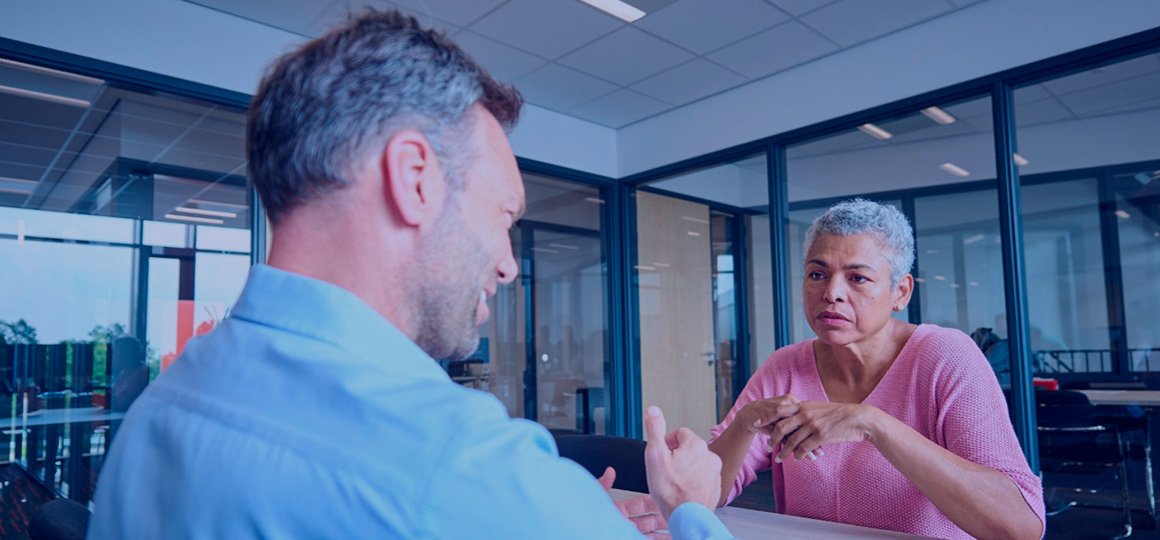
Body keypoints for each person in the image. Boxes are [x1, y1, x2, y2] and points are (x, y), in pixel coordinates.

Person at [88, 11, 730, 539]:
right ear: (414, 178)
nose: (509, 263)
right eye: (504, 214)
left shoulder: (155, 414)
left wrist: (550, 509)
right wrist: (691, 508)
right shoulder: (463, 466)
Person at [708, 199, 1045, 539]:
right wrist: (743, 423)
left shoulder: (946, 356)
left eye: (857, 278)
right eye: (817, 274)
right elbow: (710, 492)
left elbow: (1020, 527)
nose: (831, 293)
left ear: (900, 292)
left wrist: (874, 424)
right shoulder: (785, 366)